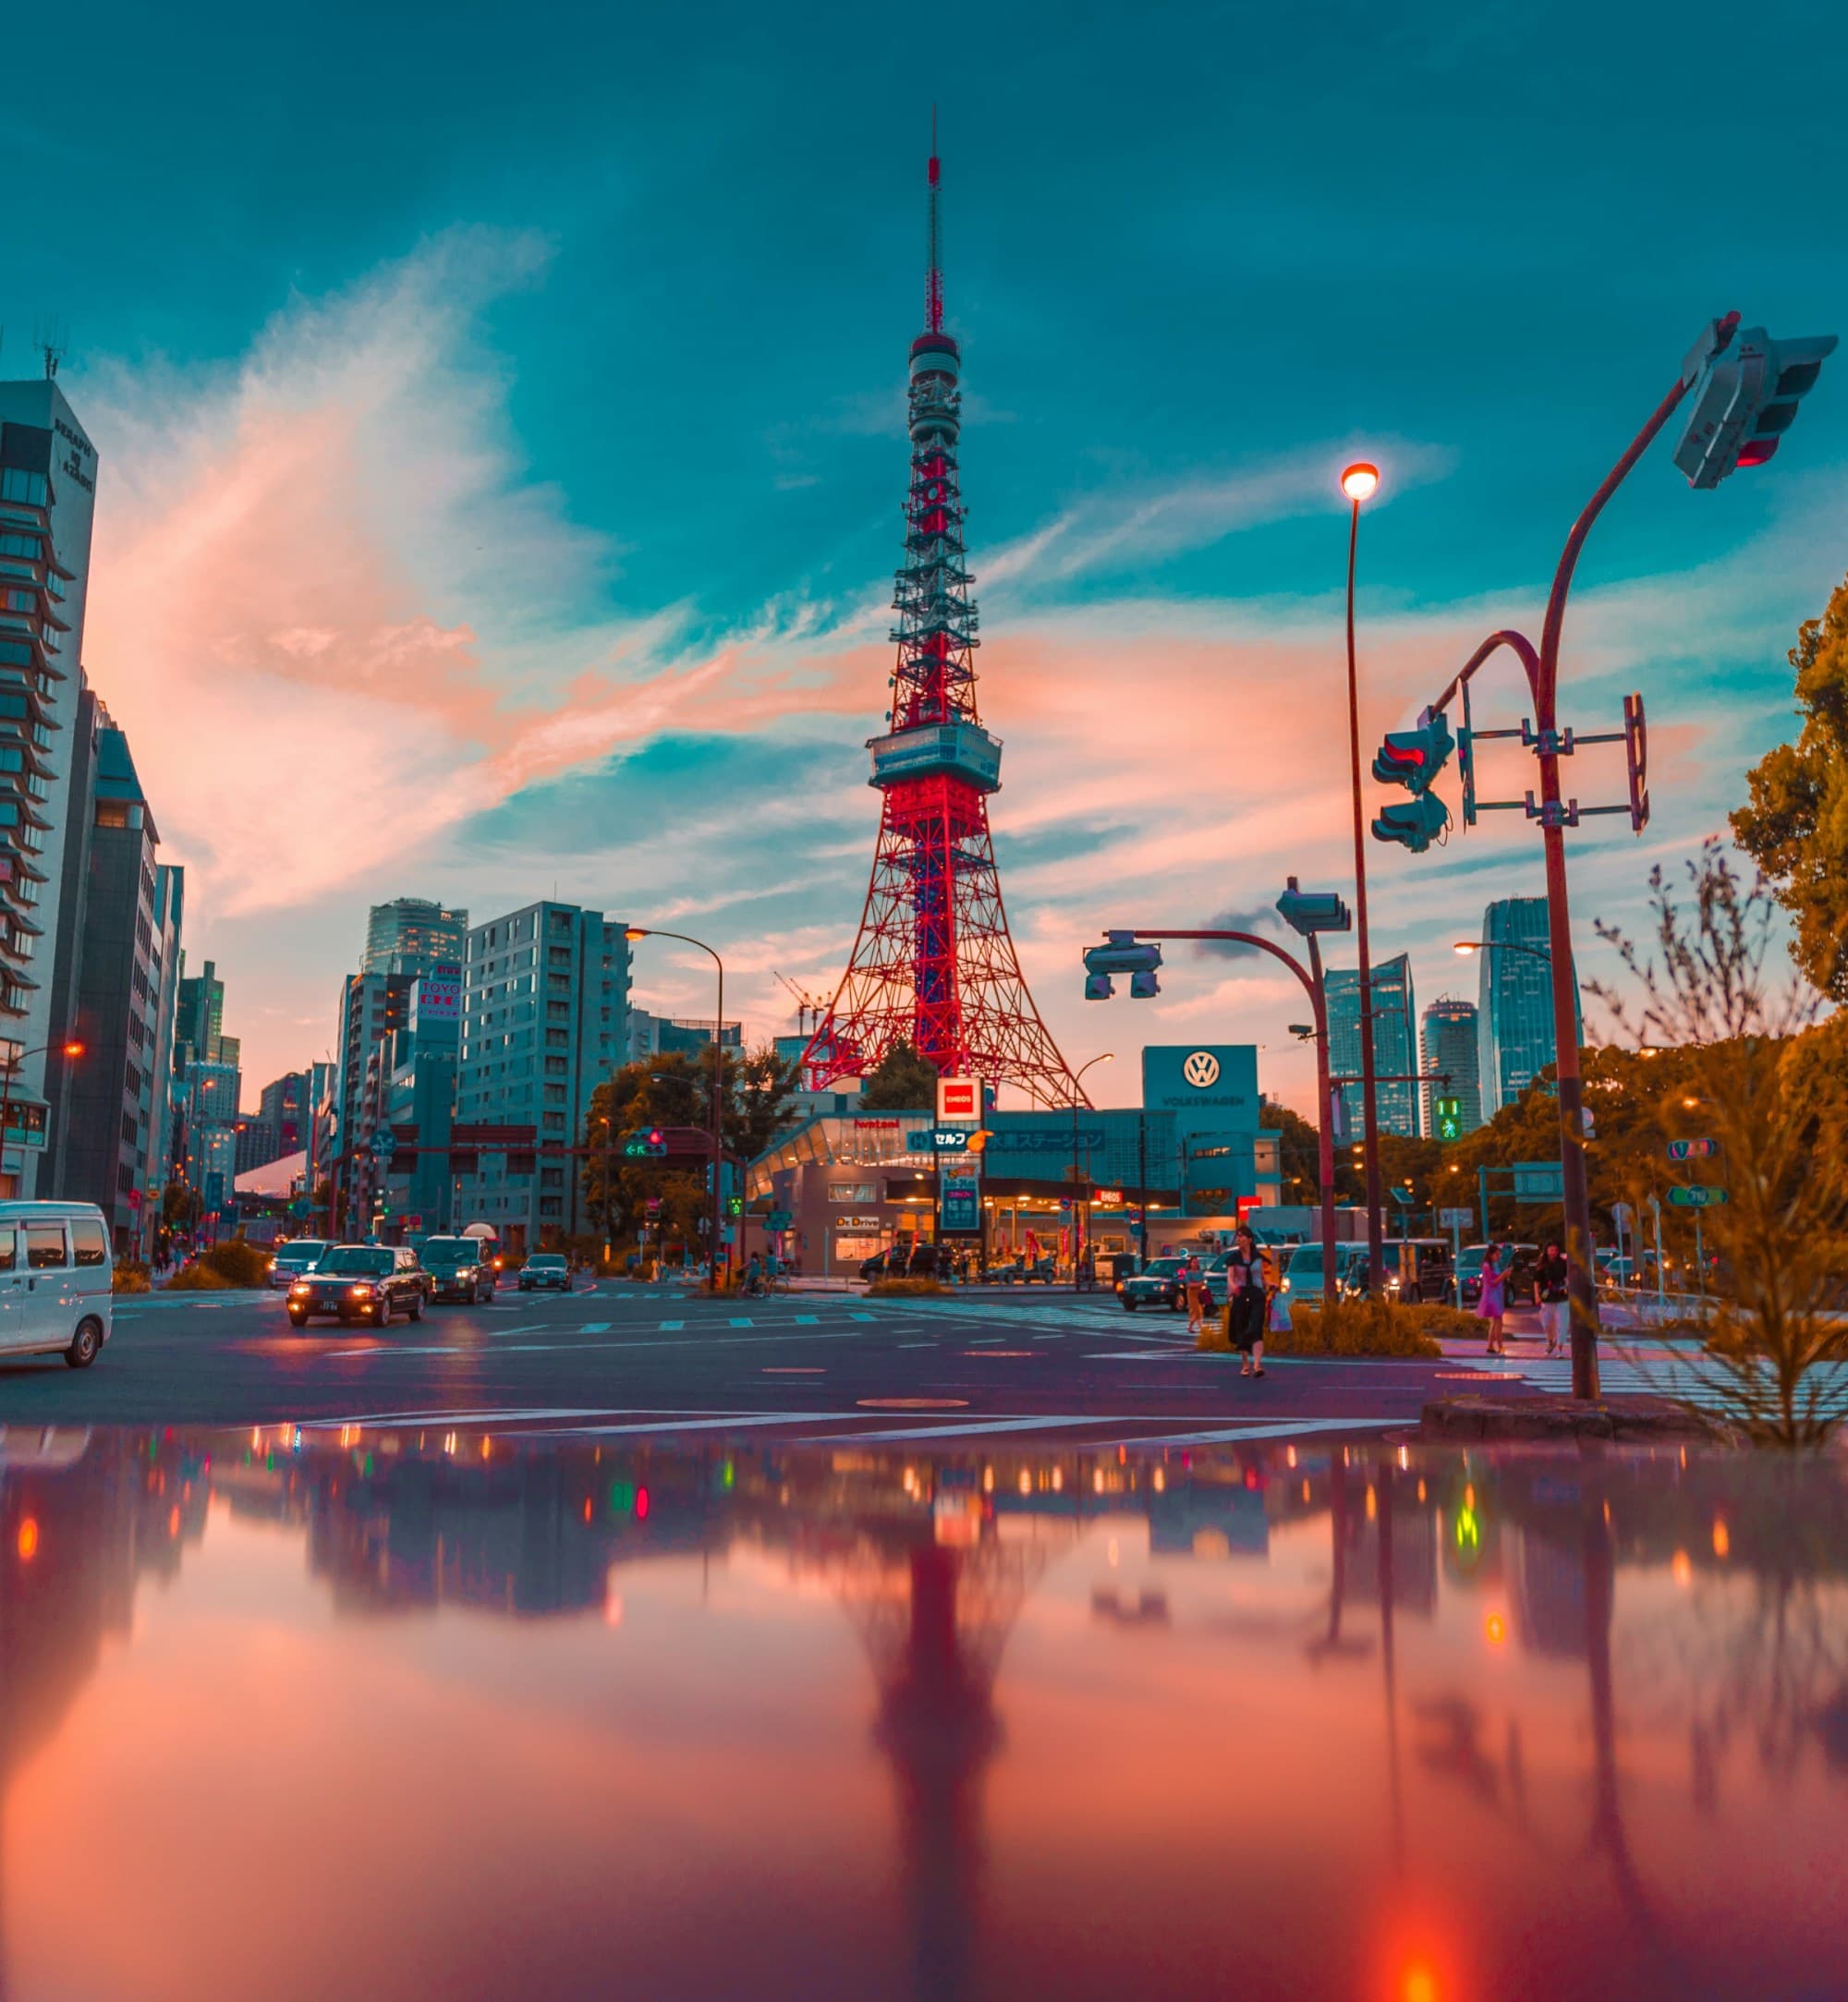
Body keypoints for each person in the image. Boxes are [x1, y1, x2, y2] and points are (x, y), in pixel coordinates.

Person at [1226, 1225, 1268, 1377]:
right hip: (1241, 1293)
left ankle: (1257, 1365)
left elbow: (1261, 1277)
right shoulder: (1234, 1258)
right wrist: (1233, 1288)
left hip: (1257, 1293)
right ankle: (1245, 1365)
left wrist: (1270, 1285)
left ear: (1249, 1239)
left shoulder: (1258, 1257)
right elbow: (1230, 1277)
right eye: (1238, 1236)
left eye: (1242, 1236)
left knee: (1256, 1327)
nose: (1239, 1239)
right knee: (1241, 1328)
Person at [1535, 1238, 1570, 1356]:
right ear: (1546, 1251)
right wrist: (1536, 1295)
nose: (1554, 1252)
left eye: (1556, 1250)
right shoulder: (1541, 1264)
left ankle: (1560, 1348)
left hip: (1561, 1295)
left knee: (1562, 1322)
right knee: (1546, 1322)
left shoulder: (1563, 1263)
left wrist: (1568, 1287)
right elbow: (1536, 1281)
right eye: (1551, 1250)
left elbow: (1566, 1278)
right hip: (1547, 1295)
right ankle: (1551, 1341)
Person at [1478, 1242, 1507, 1355]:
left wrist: (1503, 1275)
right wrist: (1503, 1276)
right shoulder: (1486, 1266)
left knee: (1496, 1322)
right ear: (1491, 1254)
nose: (1499, 1257)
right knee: (1498, 1321)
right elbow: (1491, 1283)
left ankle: (1491, 1346)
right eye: (1497, 1254)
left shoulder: (1493, 1265)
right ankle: (1500, 1346)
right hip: (1492, 1296)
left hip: (1497, 1294)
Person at [1183, 1253, 1206, 1336]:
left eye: (1196, 1262)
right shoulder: (1188, 1273)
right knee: (1195, 1309)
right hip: (1191, 1293)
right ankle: (1201, 1328)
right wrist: (1198, 1284)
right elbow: (1189, 1285)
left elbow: (1203, 1283)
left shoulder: (1200, 1272)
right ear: (1190, 1263)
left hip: (1200, 1292)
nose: (1195, 1264)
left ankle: (1190, 1326)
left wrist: (1197, 1284)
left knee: (1199, 1310)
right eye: (1193, 1262)